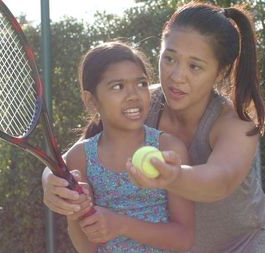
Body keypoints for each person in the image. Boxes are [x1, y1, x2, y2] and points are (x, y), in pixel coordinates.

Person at [42, 1, 265, 252]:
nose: (177, 76)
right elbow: (75, 155)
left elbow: (220, 181)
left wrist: (173, 176)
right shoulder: (141, 103)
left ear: (220, 73)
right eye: (169, 58)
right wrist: (50, 182)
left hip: (244, 244)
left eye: (195, 66)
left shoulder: (235, 125)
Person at [60, 41, 195, 252]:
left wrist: (121, 224)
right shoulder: (81, 157)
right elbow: (87, 248)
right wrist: (74, 212)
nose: (134, 95)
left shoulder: (168, 148)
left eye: (141, 84)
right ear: (91, 101)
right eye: (118, 86)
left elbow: (184, 239)